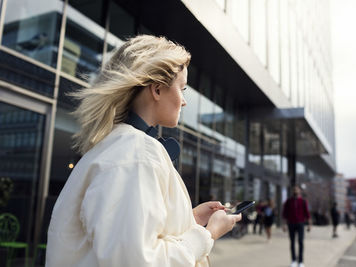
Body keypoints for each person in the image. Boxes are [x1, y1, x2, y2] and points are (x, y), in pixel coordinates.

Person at [46, 35, 241, 267]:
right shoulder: (137, 153)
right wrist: (208, 235)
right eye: (182, 88)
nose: (185, 101)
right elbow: (135, 260)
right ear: (157, 89)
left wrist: (191, 220)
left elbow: (128, 239)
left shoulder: (119, 148)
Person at [282, 185, 311, 267]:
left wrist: (309, 225)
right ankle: (293, 260)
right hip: (291, 223)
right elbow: (285, 213)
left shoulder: (303, 201)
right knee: (292, 242)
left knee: (301, 242)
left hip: (300, 224)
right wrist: (284, 224)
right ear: (292, 191)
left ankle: (301, 261)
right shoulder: (288, 201)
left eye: (297, 189)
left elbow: (307, 213)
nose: (295, 191)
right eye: (294, 189)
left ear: (300, 191)